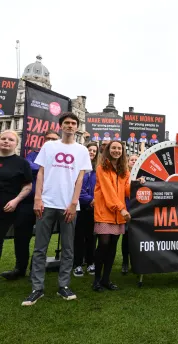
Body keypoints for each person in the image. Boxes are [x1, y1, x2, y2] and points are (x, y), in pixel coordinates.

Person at [22, 112, 92, 306]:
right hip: (47, 202)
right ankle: (37, 288)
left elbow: (80, 178)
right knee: (40, 248)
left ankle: (64, 285)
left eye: (73, 123)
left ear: (77, 127)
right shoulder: (49, 146)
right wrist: (37, 198)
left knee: (68, 248)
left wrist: (73, 203)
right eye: (67, 123)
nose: (70, 126)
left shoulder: (82, 151)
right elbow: (41, 172)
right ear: (61, 126)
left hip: (69, 205)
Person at [1, 130, 58, 281]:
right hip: (27, 202)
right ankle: (19, 268)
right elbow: (29, 166)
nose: (51, 141)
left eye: (54, 139)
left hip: (49, 203)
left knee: (43, 238)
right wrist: (49, 170)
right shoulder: (33, 154)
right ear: (43, 140)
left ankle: (36, 269)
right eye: (48, 139)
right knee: (21, 236)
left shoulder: (60, 158)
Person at [92, 140, 131, 291]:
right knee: (103, 246)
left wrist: (138, 183)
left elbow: (127, 190)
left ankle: (106, 279)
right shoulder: (102, 168)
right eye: (113, 148)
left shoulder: (125, 171)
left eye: (119, 148)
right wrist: (121, 208)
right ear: (108, 150)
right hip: (105, 213)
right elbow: (108, 191)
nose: (116, 150)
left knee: (113, 247)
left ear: (122, 151)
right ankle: (96, 280)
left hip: (119, 215)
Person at [0, 131, 32, 273]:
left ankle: (20, 268)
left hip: (11, 207)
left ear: (16, 144)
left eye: (10, 139)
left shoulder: (22, 163)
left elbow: (28, 186)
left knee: (20, 239)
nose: (6, 141)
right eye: (3, 138)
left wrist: (16, 200)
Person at [73, 142, 99, 277]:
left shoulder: (97, 170)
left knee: (91, 237)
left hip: (94, 209)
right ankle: (77, 264)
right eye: (90, 150)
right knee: (78, 237)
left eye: (94, 151)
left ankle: (90, 263)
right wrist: (90, 199)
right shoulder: (78, 167)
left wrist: (95, 200)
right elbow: (77, 187)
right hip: (79, 207)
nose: (92, 152)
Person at [121, 153, 139, 274]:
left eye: (135, 160)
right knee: (126, 236)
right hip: (127, 209)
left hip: (139, 211)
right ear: (128, 162)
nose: (133, 161)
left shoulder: (143, 174)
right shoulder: (124, 175)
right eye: (131, 160)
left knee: (137, 237)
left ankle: (135, 262)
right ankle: (125, 261)